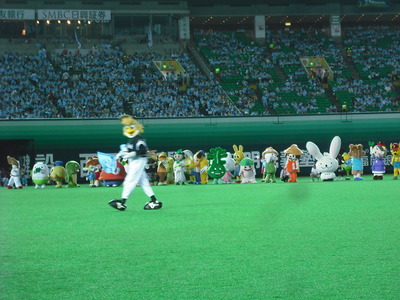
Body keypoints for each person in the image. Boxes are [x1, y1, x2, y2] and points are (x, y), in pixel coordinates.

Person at [108, 115, 162, 211]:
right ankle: (154, 201)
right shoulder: (132, 140)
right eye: (127, 127)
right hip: (134, 162)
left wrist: (130, 155)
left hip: (138, 162)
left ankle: (122, 202)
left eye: (131, 127)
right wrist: (121, 153)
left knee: (130, 180)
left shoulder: (139, 139)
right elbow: (128, 150)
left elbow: (142, 151)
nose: (129, 130)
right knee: (143, 181)